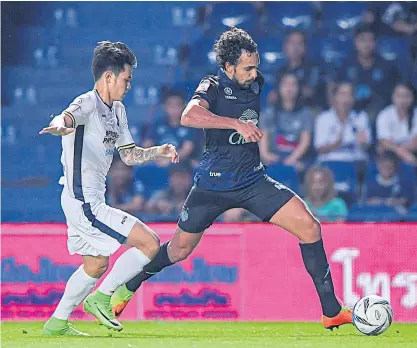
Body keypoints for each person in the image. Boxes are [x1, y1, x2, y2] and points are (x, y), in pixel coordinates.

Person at [110, 28, 352, 330]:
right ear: (228, 67)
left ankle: (331, 311)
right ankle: (128, 287)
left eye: (256, 66)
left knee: (310, 227)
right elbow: (189, 116)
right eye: (248, 68)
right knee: (179, 250)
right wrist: (234, 124)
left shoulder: (256, 84)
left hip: (252, 181)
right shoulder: (211, 85)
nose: (255, 73)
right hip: (213, 184)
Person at [39, 41, 179, 335]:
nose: (128, 85)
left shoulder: (118, 111)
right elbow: (66, 117)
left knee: (96, 265)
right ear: (108, 77)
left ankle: (56, 323)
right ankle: (101, 298)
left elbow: (129, 156)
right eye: (126, 79)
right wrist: (59, 125)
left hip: (84, 199)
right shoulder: (87, 102)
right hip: (83, 201)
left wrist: (158, 151)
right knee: (150, 243)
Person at [330, 25, 400, 121]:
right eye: (362, 40)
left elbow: (393, 94)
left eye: (370, 40)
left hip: (378, 112)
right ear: (355, 42)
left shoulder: (386, 66)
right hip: (349, 110)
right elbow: (332, 88)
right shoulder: (344, 65)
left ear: (375, 43)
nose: (366, 45)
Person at [259, 72, 313, 171]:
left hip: (296, 159)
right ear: (279, 88)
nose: (289, 88)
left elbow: (305, 142)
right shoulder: (268, 113)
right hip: (273, 159)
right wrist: (272, 159)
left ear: (298, 88)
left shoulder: (305, 113)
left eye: (293, 84)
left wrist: (290, 160)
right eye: (285, 84)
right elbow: (264, 150)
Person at [268, 30, 326, 109]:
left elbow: (310, 92)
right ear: (285, 47)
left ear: (305, 47)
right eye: (291, 43)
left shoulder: (313, 68)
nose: (295, 47)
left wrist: (286, 92)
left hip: (308, 111)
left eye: (299, 43)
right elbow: (277, 93)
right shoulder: (281, 70)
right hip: (285, 112)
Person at [315, 82, 371, 163]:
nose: (346, 99)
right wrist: (335, 145)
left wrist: (363, 144)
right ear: (335, 97)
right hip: (330, 161)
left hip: (355, 161)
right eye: (343, 94)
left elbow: (366, 146)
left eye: (350, 95)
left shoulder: (361, 117)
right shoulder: (323, 118)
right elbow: (319, 148)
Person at [143, 90, 198, 166]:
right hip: (158, 161)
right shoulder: (158, 124)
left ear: (184, 106)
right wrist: (157, 159)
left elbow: (187, 149)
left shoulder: (189, 124)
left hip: (180, 162)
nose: (174, 109)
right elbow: (147, 145)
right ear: (164, 107)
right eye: (170, 105)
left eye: (178, 105)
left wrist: (168, 160)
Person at [376, 82, 417, 166]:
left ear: (412, 97)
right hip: (391, 154)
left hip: (412, 152)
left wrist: (399, 148)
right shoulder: (385, 114)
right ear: (393, 97)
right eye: (399, 96)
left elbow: (415, 143)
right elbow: (384, 142)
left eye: (406, 96)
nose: (403, 100)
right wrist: (402, 153)